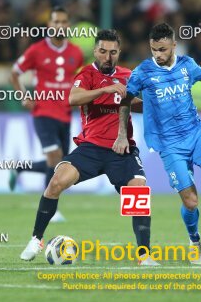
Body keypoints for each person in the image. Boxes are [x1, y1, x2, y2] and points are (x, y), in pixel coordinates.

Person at [113, 23, 201, 265]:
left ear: (173, 45)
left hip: (196, 133)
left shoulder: (186, 65)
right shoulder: (142, 72)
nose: (157, 54)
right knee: (191, 202)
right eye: (153, 49)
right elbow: (125, 101)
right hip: (169, 145)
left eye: (162, 49)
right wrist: (121, 134)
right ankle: (194, 241)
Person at [20, 29, 159, 266]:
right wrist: (106, 90)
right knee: (56, 183)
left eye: (112, 52)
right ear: (95, 51)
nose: (107, 56)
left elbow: (141, 106)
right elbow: (73, 98)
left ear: (119, 53)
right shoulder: (85, 74)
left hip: (121, 149)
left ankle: (144, 255)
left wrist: (141, 101)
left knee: (138, 191)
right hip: (91, 148)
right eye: (103, 51)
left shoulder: (128, 75)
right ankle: (36, 239)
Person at [9, 7, 84, 200]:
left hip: (65, 113)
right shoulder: (36, 50)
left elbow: (80, 79)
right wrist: (24, 96)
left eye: (63, 22)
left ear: (68, 25)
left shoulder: (76, 52)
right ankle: (50, 205)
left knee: (61, 163)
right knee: (55, 157)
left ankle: (20, 167)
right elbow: (14, 73)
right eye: (56, 22)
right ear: (49, 25)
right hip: (43, 112)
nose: (60, 25)